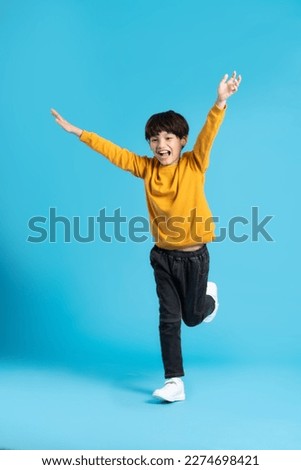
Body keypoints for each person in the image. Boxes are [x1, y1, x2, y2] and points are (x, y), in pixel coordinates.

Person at [51, 71, 242, 402]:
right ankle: (174, 381)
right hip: (162, 257)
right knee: (169, 319)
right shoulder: (146, 168)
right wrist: (79, 132)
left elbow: (209, 134)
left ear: (182, 141)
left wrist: (220, 102)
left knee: (193, 317)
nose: (161, 145)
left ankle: (208, 300)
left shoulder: (195, 165)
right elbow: (114, 152)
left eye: (168, 138)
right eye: (154, 139)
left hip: (194, 256)